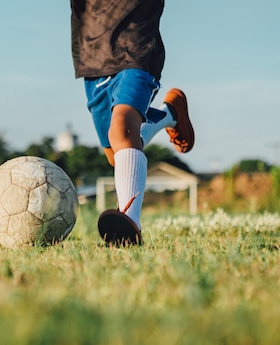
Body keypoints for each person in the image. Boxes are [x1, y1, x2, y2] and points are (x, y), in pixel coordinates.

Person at [70, 0, 195, 246]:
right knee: (117, 155)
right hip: (93, 58)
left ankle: (128, 224)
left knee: (121, 130)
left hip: (135, 47)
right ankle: (169, 114)